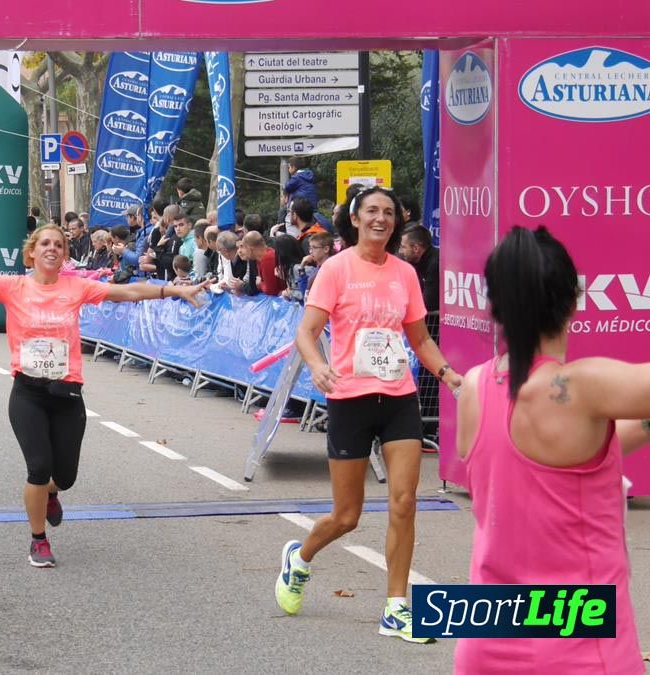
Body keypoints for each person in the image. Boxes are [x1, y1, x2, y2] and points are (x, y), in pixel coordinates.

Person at [0, 225, 212, 568]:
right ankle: (38, 539)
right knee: (38, 469)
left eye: (58, 245)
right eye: (45, 243)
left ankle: (52, 495)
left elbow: (128, 293)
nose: (52, 248)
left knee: (66, 476)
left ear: (64, 254)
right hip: (28, 393)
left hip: (67, 393)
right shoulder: (13, 287)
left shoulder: (77, 287)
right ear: (32, 252)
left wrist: (175, 291)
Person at [452, 226, 648, 672]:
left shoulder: (475, 388)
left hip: (487, 642)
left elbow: (556, 466)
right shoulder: (577, 387)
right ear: (574, 300)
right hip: (579, 648)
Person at [276, 185, 463, 643]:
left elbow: (419, 339)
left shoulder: (404, 273)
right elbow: (307, 331)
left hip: (398, 397)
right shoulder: (336, 269)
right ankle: (300, 558)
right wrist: (319, 366)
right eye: (372, 212)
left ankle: (396, 608)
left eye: (388, 213)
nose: (381, 219)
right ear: (356, 220)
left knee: (404, 501)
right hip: (350, 399)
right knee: (347, 515)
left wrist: (451, 376)